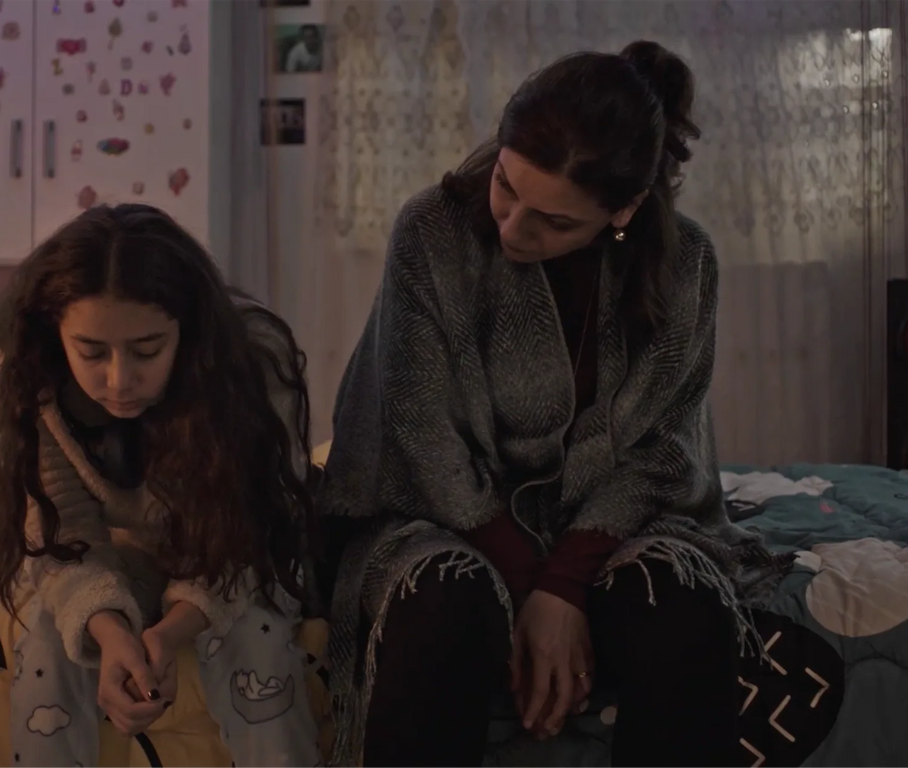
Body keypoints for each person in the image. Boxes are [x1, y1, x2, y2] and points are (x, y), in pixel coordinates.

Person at [317, 41, 791, 767]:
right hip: (441, 514)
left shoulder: (686, 262)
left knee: (679, 608)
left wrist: (566, 581)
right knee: (441, 601)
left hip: (610, 513)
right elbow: (416, 423)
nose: (513, 230)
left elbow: (664, 444)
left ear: (625, 210)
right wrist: (531, 582)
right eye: (507, 187)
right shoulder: (430, 231)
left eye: (556, 223)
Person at [0, 204, 321, 767]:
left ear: (188, 332)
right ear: (55, 333)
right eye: (90, 351)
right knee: (48, 643)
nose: (118, 380)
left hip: (233, 551)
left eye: (147, 350)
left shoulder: (251, 365)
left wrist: (173, 630)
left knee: (258, 642)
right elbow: (60, 532)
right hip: (121, 551)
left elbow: (258, 534)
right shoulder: (23, 371)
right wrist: (110, 632)